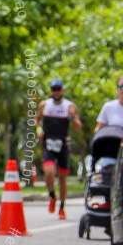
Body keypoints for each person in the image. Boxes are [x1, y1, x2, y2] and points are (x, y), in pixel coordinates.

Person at [35, 79, 82, 219]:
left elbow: (78, 127)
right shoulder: (44, 105)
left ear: (62, 90)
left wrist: (72, 117)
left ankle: (61, 207)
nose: (56, 92)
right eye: (54, 89)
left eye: (58, 89)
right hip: (48, 142)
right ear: (51, 91)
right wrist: (38, 130)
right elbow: (37, 119)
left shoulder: (70, 106)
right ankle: (52, 196)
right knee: (49, 171)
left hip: (63, 144)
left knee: (62, 177)